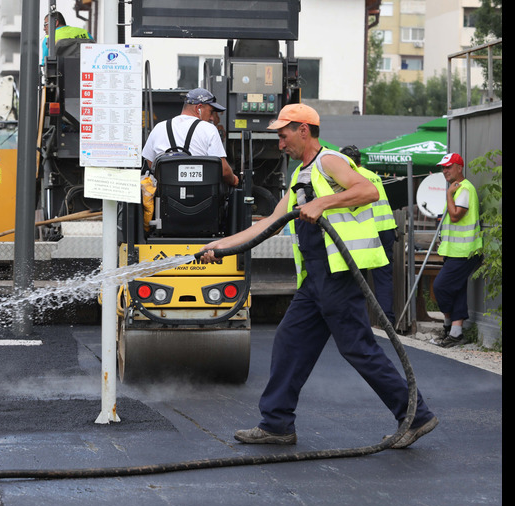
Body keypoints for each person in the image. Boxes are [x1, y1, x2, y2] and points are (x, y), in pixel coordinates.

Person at [199, 103, 438, 449]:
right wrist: (220, 246)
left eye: (283, 136)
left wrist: (322, 204)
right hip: (315, 280)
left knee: (358, 349)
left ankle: (415, 415)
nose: (279, 144)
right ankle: (277, 423)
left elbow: (367, 191)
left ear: (303, 131)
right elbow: (268, 224)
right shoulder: (300, 176)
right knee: (289, 342)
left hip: (337, 275)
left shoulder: (328, 162)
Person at [341, 145, 397, 326]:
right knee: (383, 277)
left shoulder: (351, 178)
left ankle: (357, 320)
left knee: (357, 276)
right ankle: (387, 321)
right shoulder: (373, 176)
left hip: (367, 230)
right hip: (386, 229)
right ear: (359, 160)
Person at [432, 152, 483, 348]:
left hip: (465, 251)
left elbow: (455, 217)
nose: (445, 171)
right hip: (457, 250)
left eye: (448, 167)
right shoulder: (458, 189)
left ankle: (447, 326)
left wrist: (448, 194)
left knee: (441, 287)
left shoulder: (463, 189)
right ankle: (455, 333)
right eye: (443, 168)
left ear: (459, 168)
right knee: (457, 289)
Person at [141, 87, 239, 187]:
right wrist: (234, 180)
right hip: (203, 199)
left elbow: (151, 163)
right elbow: (224, 171)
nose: (212, 118)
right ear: (198, 108)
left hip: (166, 198)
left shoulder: (159, 128)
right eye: (211, 112)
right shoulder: (209, 129)